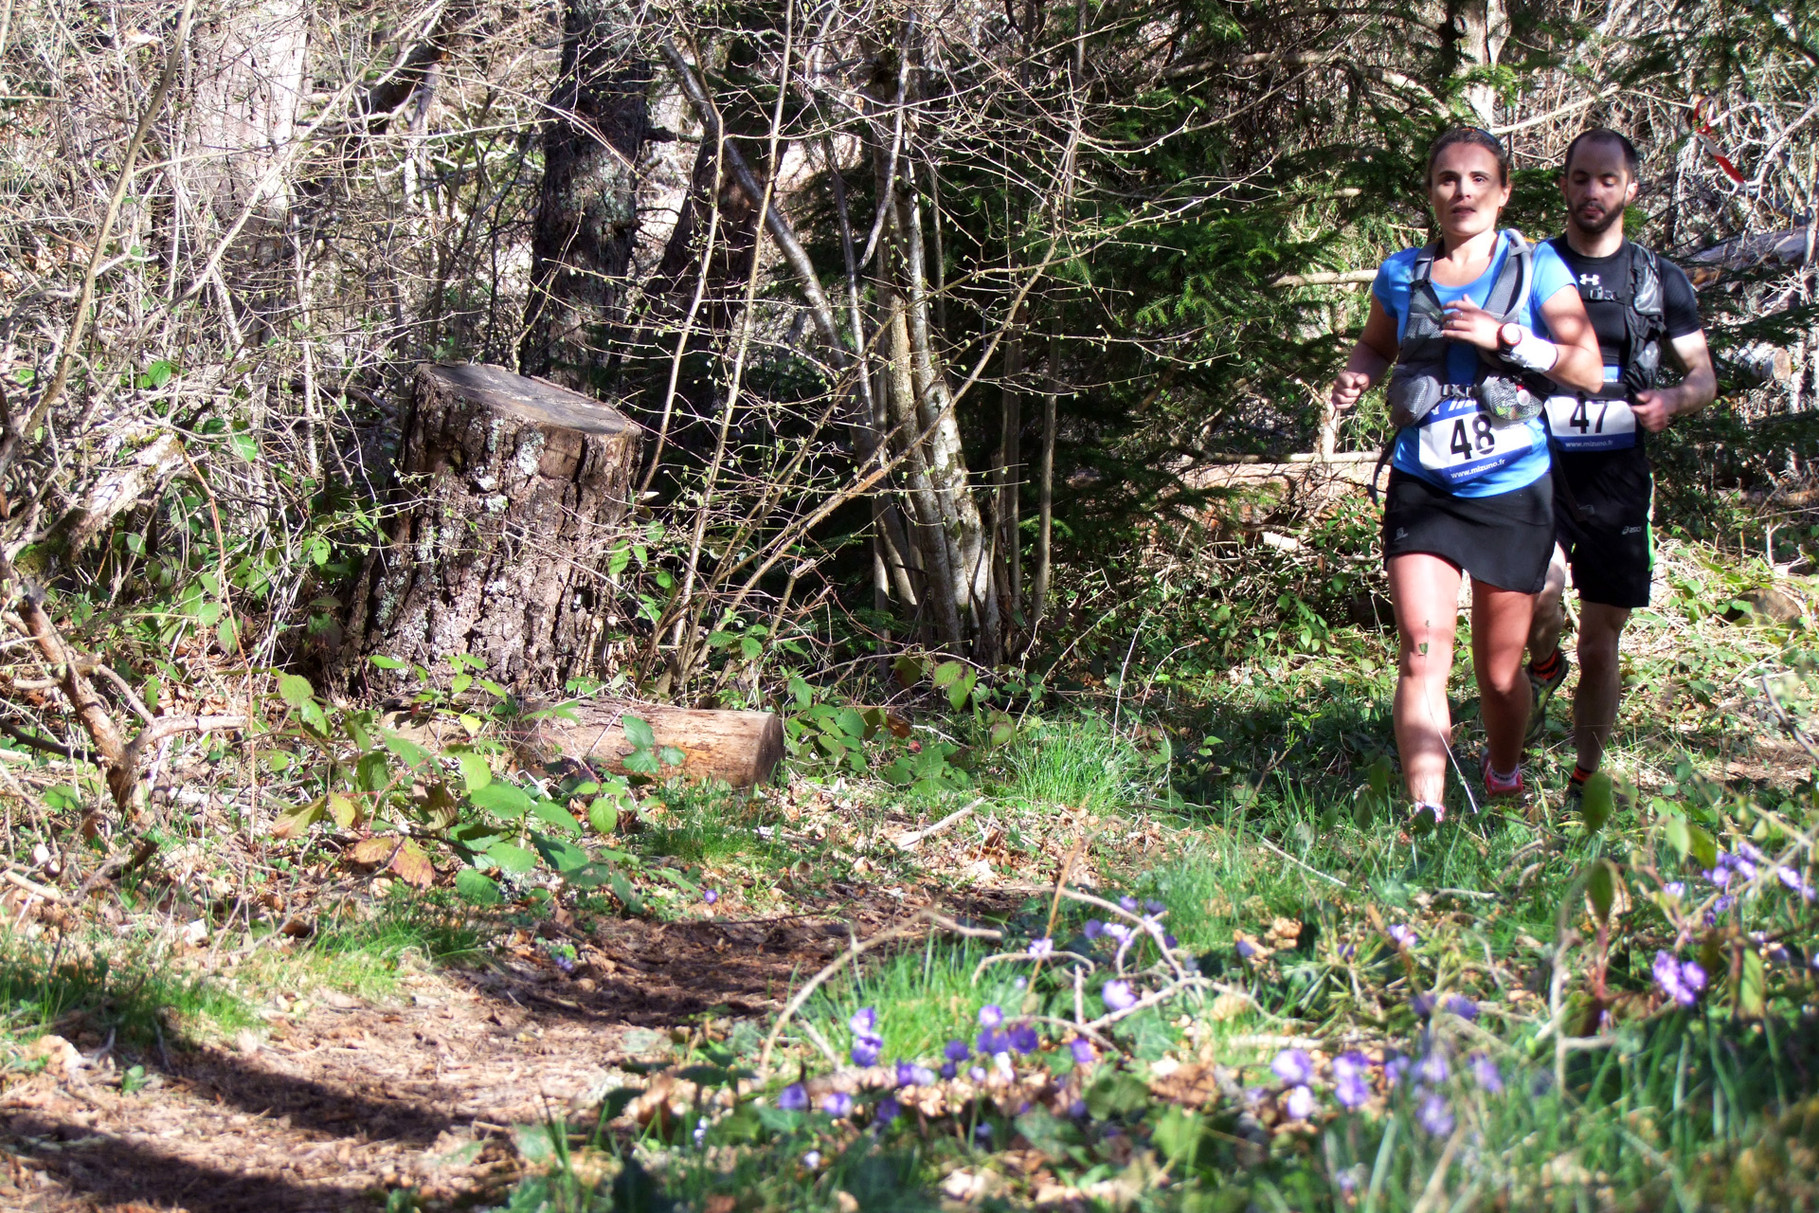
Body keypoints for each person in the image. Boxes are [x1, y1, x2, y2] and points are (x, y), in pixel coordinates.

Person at [1330, 128, 1603, 824]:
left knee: (1498, 673)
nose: (1463, 192)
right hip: (1424, 486)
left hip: (1510, 491)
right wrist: (1358, 373)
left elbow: (1586, 367)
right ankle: (1426, 813)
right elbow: (1376, 341)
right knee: (1422, 653)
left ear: (1504, 191)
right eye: (1448, 179)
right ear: (1430, 192)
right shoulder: (1401, 273)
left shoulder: (1537, 267)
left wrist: (1507, 336)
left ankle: (1502, 771)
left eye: (1479, 179)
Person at [1523, 130, 1716, 799]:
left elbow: (1702, 375)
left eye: (1606, 180)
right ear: (1563, 186)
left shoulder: (1657, 279)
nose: (1591, 192)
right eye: (1579, 178)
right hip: (1538, 465)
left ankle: (1584, 777)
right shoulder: (1533, 267)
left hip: (1617, 477)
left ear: (1629, 188)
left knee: (1600, 642)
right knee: (1535, 597)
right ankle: (1540, 663)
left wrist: (1672, 399)